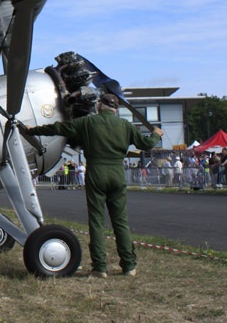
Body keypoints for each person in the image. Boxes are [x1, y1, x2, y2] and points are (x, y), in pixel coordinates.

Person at [27, 93, 163, 278]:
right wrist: (156, 134)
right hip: (117, 173)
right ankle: (129, 265)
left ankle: (100, 267)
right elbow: (146, 144)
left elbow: (59, 128)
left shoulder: (88, 123)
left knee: (97, 221)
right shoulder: (125, 126)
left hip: (96, 172)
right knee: (120, 221)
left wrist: (31, 130)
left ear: (100, 105)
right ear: (115, 109)